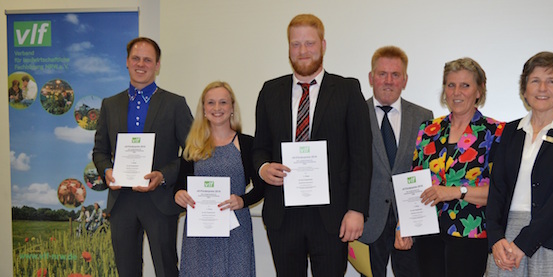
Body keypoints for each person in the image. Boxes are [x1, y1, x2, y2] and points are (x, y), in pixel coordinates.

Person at [253, 14, 372, 276]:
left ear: (323, 45)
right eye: (296, 44)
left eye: (309, 43)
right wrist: (262, 168)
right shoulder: (270, 91)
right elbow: (259, 146)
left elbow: (361, 157)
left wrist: (356, 210)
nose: (303, 51)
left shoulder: (347, 90)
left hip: (332, 216)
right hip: (283, 214)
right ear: (288, 48)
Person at [93, 37, 193, 277]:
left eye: (148, 60)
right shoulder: (110, 104)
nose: (141, 64)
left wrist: (164, 175)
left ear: (157, 65)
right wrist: (107, 170)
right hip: (121, 202)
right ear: (127, 62)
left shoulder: (175, 104)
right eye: (135, 58)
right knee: (127, 270)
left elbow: (191, 153)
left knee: (166, 269)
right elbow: (100, 151)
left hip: (159, 200)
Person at [486, 52, 553, 276]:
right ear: (524, 90)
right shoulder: (510, 132)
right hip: (505, 237)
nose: (542, 88)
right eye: (535, 81)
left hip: (552, 234)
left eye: (551, 81)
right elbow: (497, 189)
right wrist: (495, 237)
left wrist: (523, 243)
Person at [400, 57, 505, 277]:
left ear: (479, 90)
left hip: (469, 233)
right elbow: (414, 181)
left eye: (465, 85)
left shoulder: (495, 132)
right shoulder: (429, 129)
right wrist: (404, 225)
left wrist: (454, 192)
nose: (456, 92)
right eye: (451, 85)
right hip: (427, 231)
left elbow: (499, 193)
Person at [174, 81, 264, 277]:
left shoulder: (247, 144)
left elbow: (261, 188)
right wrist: (179, 195)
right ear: (204, 109)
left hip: (236, 231)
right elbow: (179, 187)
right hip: (200, 234)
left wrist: (242, 200)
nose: (217, 108)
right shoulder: (192, 146)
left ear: (232, 107)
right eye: (211, 103)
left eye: (223, 102)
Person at [360, 46, 432, 277]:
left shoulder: (423, 117)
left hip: (410, 221)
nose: (388, 81)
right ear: (371, 78)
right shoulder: (355, 114)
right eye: (382, 74)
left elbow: (425, 169)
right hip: (368, 221)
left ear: (405, 80)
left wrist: (410, 220)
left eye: (395, 75)